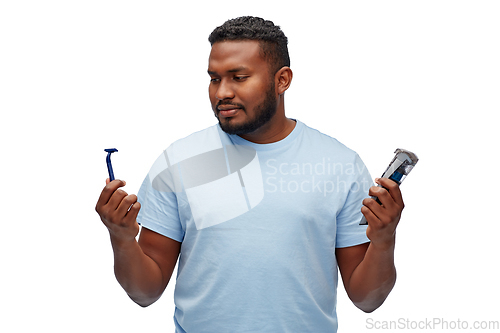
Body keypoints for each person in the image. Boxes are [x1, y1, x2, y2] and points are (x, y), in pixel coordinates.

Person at [95, 16, 405, 332]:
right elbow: (144, 292)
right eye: (214, 78)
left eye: (239, 77)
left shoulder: (339, 164)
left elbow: (367, 299)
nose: (222, 93)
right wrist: (121, 238)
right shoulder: (180, 160)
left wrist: (384, 240)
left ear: (282, 80)